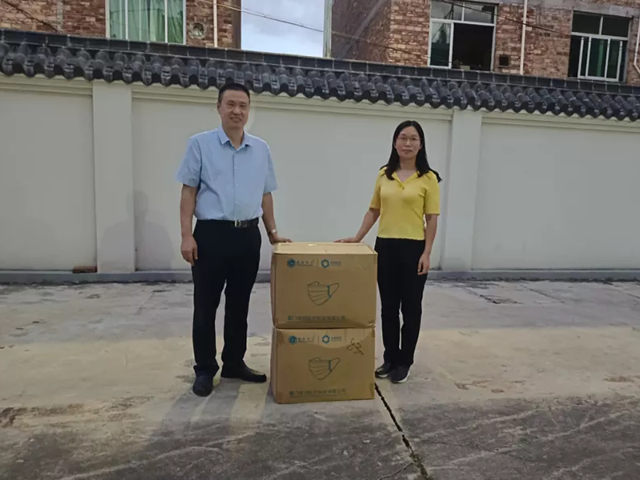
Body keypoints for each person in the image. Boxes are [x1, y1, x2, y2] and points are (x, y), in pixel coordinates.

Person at [176, 82, 290, 397]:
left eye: (243, 105)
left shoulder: (261, 149)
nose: (237, 111)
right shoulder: (200, 144)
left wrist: (272, 233)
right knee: (206, 304)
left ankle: (234, 362)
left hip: (248, 236)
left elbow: (265, 194)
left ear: (249, 110)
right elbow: (188, 192)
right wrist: (186, 235)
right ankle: (204, 369)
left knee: (239, 304)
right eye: (231, 104)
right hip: (210, 235)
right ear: (219, 108)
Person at [338, 120, 441, 384]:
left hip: (414, 248)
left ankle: (405, 362)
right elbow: (374, 210)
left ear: (421, 145)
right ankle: (390, 358)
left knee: (411, 308)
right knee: (388, 308)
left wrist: (427, 253)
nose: (408, 143)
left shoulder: (428, 178)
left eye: (413, 139)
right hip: (386, 247)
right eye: (403, 138)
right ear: (395, 142)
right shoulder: (385, 174)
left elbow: (431, 219)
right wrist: (357, 238)